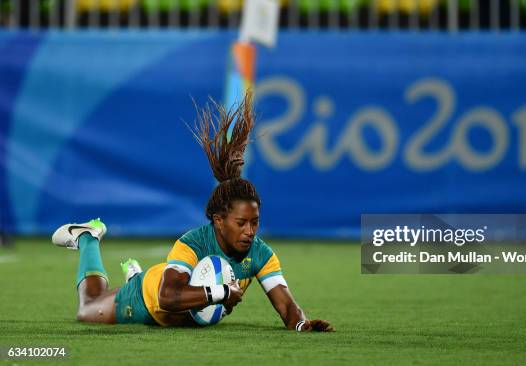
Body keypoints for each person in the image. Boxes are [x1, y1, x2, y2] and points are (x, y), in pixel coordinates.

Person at [51, 92, 334, 332]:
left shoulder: (261, 254)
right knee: (87, 310)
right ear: (219, 220)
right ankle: (88, 237)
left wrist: (301, 324)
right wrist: (222, 292)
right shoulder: (193, 242)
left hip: (184, 311)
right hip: (147, 301)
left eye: (255, 222)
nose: (250, 231)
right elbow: (167, 297)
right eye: (241, 223)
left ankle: (132, 272)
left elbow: (286, 305)